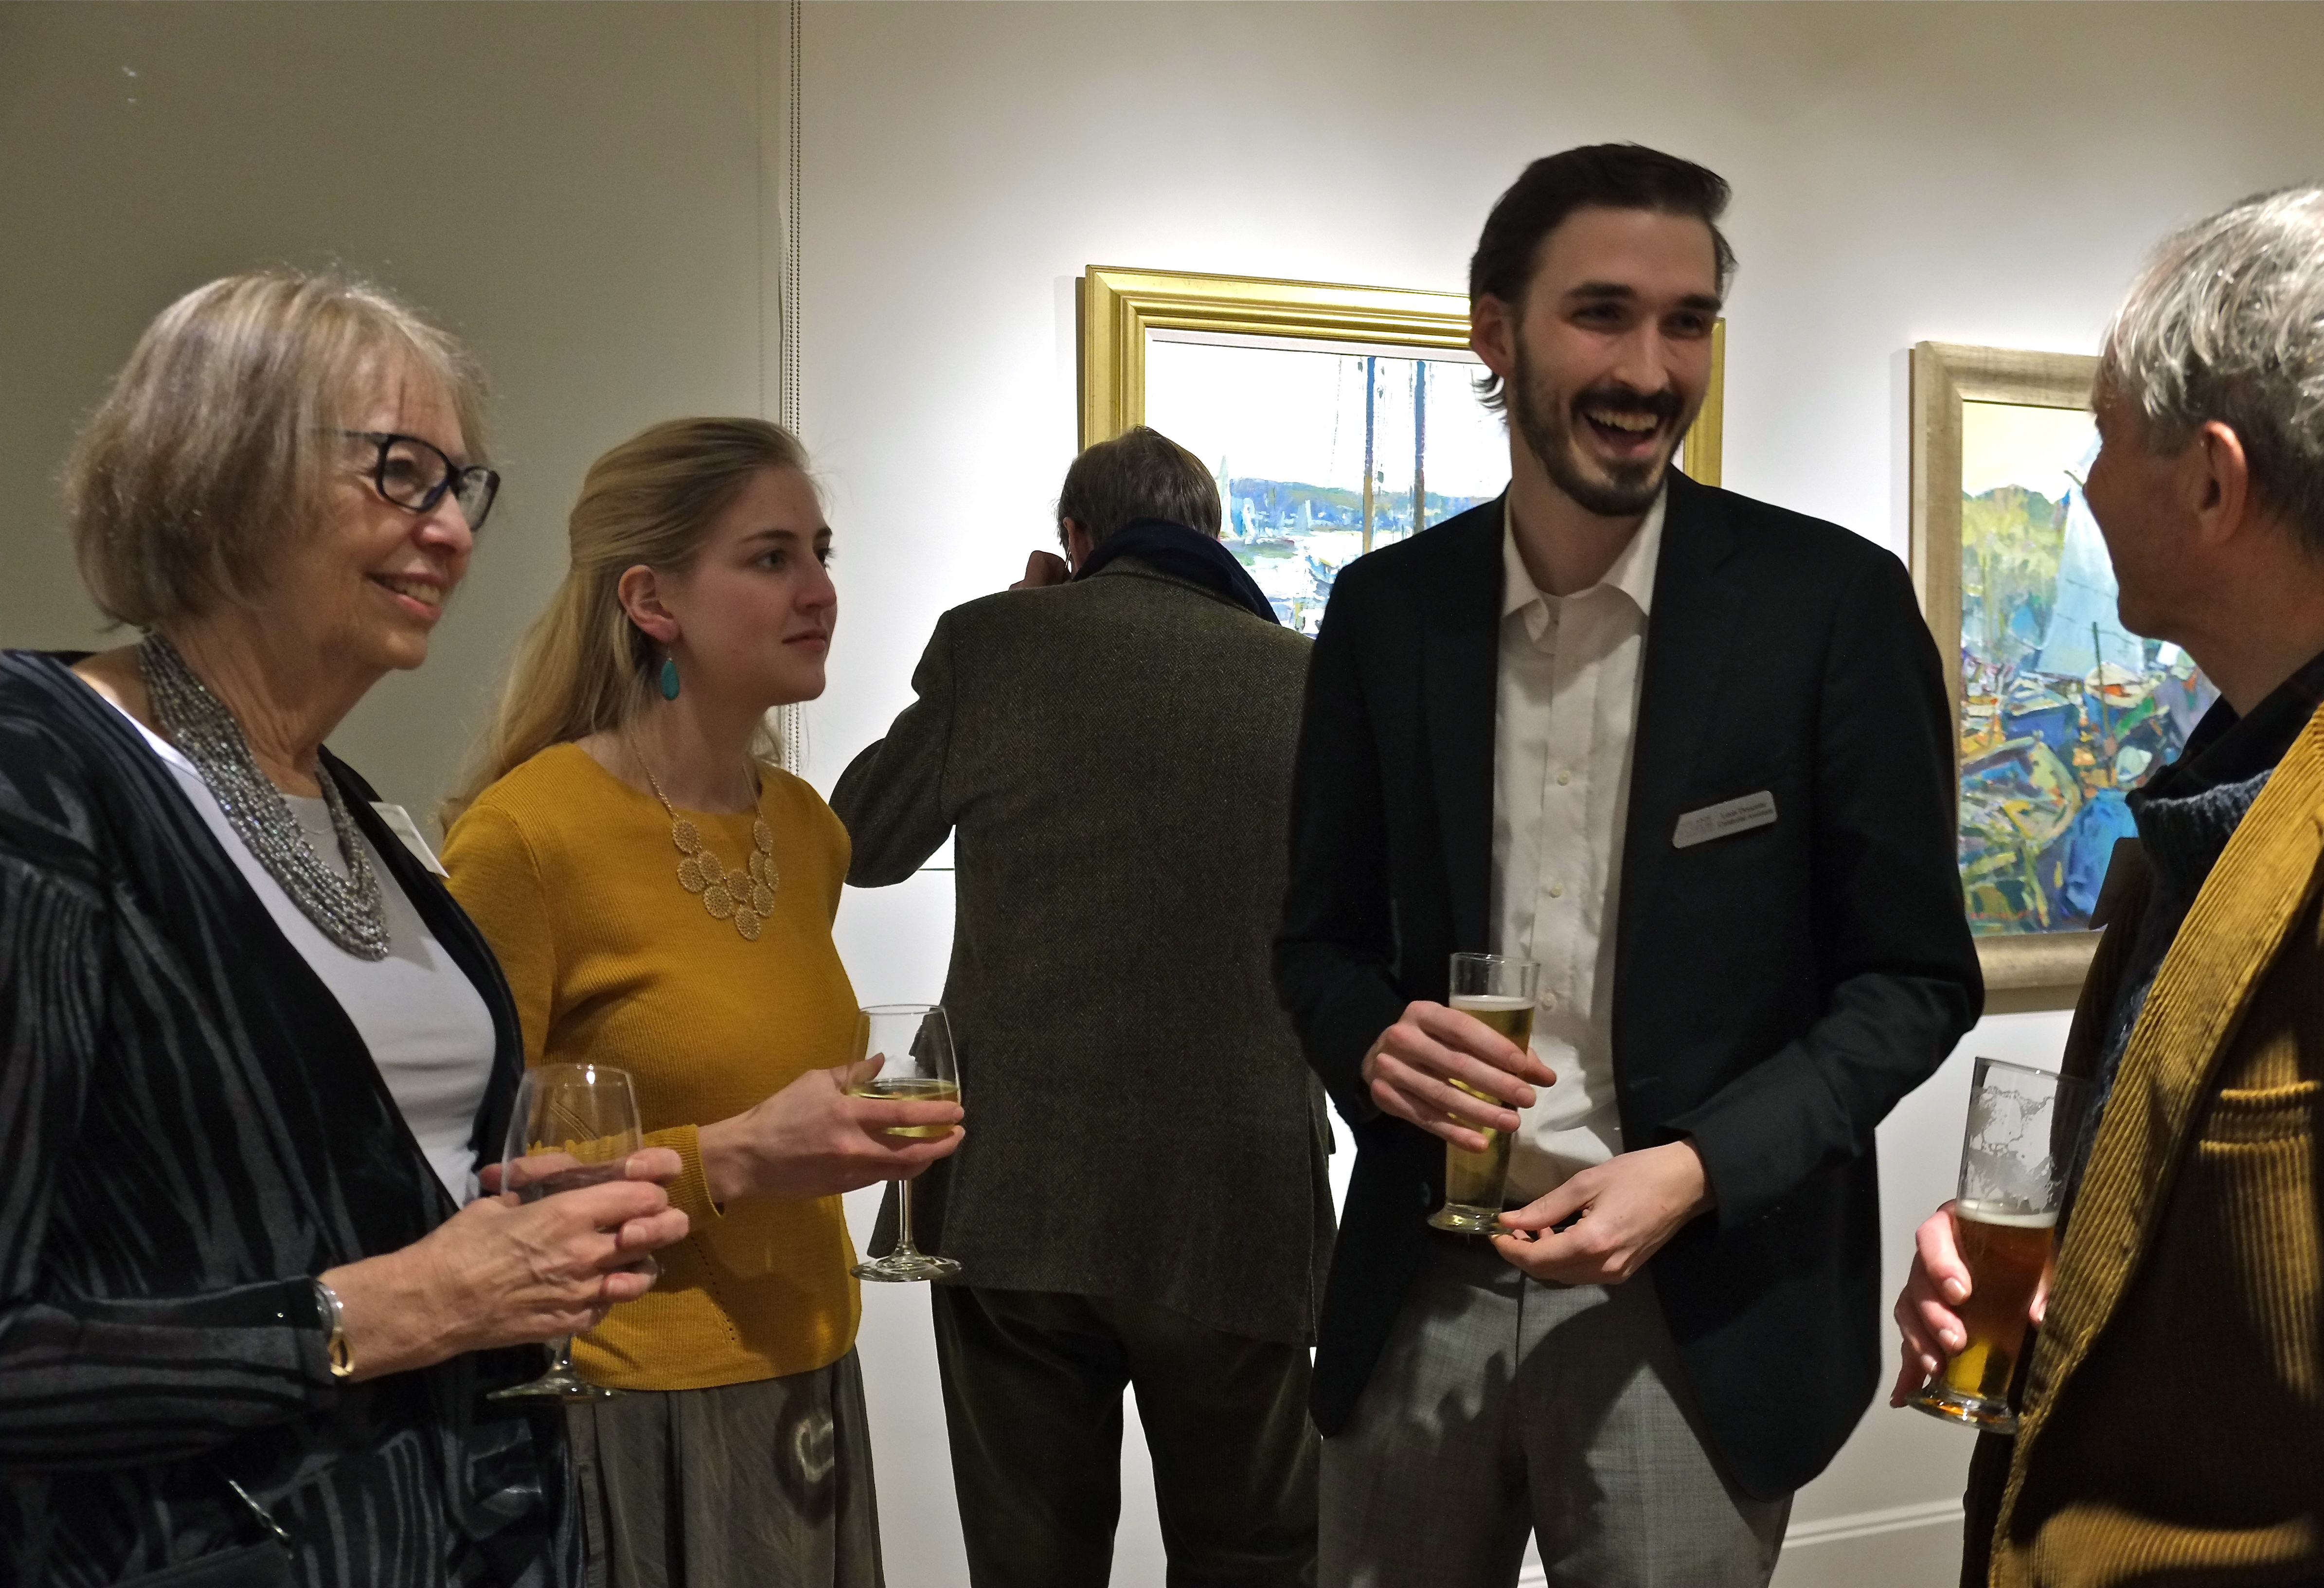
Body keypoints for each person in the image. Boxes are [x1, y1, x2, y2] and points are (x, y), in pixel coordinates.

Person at [1272, 143, 1984, 1588]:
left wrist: (1700, 1169)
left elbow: (1915, 981)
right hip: (1419, 1285)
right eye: (1602, 314)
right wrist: (1372, 1041)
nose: (1650, 371)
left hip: (1697, 1312)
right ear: (1496, 331)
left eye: (1687, 322)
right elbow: (1316, 944)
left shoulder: (1830, 609)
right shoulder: (1388, 612)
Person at [0, 271, 691, 1585]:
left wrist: (516, 1228)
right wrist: (397, 1308)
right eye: (400, 473)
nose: (453, 532)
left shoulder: (356, 810)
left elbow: (351, 1184)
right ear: (218, 472)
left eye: (463, 487)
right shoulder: (41, 778)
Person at [1891, 186, 2324, 1588]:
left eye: (2104, 435)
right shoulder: (2239, 776)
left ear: (2213, 483)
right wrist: (2082, 1273)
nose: (2091, 485)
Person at [441, 417, 961, 1588]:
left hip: (809, 1381)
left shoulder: (807, 829)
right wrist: (733, 1158)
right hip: (624, 1408)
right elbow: (473, 1182)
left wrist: (836, 1141)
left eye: (821, 552)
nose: (819, 590)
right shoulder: (527, 838)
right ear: (651, 600)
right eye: (771, 557)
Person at [830, 425, 1329, 1588]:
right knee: (1257, 1556)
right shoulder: (1309, 678)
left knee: (1031, 1560)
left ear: (1074, 536)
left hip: (1017, 1194)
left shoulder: (996, 644)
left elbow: (862, 838)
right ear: (1211, 534)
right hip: (1237, 1192)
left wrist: (1016, 626)